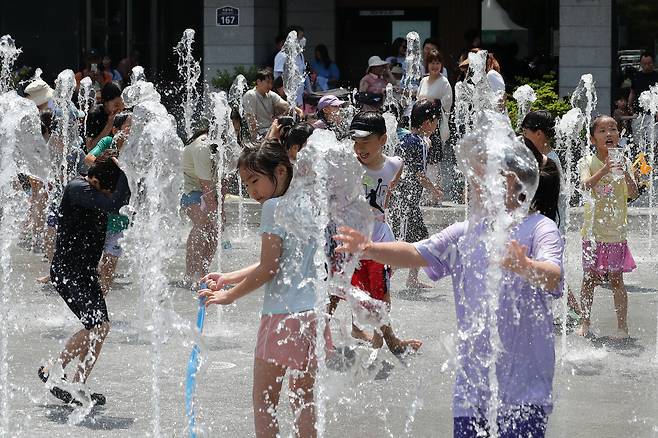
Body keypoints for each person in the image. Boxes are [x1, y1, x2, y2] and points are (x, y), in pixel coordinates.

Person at [333, 129, 564, 437]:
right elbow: (415, 252)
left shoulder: (539, 228)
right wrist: (371, 248)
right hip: (473, 384)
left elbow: (553, 275)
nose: (476, 185)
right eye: (475, 177)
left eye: (486, 176)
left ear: (516, 181)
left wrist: (525, 266)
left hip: (524, 384)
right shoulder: (464, 232)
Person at [199, 141, 330, 438]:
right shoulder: (308, 203)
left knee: (265, 399)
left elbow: (269, 268)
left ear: (281, 171)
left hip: (282, 317)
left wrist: (228, 296)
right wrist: (228, 277)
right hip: (314, 315)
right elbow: (276, 263)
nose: (252, 191)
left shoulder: (274, 207)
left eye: (255, 180)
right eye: (246, 184)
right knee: (303, 399)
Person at [38, 150, 131, 405]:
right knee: (97, 326)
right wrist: (122, 170)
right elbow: (115, 203)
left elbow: (121, 200)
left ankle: (78, 383)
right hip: (69, 271)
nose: (109, 197)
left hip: (84, 272)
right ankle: (53, 370)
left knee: (100, 328)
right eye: (108, 191)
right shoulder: (78, 188)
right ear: (97, 182)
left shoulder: (96, 190)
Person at [328, 111, 422, 355]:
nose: (359, 148)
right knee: (336, 290)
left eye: (366, 142)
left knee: (380, 290)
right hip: (348, 239)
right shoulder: (346, 164)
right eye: (356, 142)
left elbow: (393, 177)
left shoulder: (393, 164)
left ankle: (386, 338)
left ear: (382, 140)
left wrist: (383, 202)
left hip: (377, 238)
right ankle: (316, 334)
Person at [577, 116, 638, 339]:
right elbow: (584, 186)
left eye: (613, 129)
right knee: (589, 278)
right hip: (593, 232)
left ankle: (622, 327)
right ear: (593, 139)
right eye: (602, 131)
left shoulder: (625, 161)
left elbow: (633, 193)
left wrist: (627, 176)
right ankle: (585, 322)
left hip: (616, 233)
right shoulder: (587, 161)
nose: (609, 133)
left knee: (616, 279)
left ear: (619, 135)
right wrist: (604, 170)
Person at [390, 99, 443, 289]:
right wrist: (434, 190)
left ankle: (406, 278)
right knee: (418, 240)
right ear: (427, 123)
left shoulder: (404, 138)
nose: (436, 126)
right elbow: (420, 175)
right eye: (436, 122)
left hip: (399, 198)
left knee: (404, 238)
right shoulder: (420, 142)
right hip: (409, 201)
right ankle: (388, 277)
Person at [84, 112, 132, 295]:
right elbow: (88, 159)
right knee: (92, 255)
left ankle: (102, 296)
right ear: (116, 130)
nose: (131, 130)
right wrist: (110, 161)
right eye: (128, 126)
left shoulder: (138, 147)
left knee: (112, 257)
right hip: (100, 207)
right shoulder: (107, 143)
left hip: (120, 211)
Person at [181, 129, 219, 287]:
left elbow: (223, 178)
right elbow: (205, 184)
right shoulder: (202, 147)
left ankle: (203, 271)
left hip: (206, 190)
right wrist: (213, 210)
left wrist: (219, 207)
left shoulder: (220, 145)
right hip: (189, 191)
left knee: (214, 229)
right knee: (202, 224)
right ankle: (190, 274)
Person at [418, 49, 453, 200]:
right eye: (432, 62)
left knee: (434, 160)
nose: (435, 65)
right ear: (427, 64)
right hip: (421, 125)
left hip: (435, 125)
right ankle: (423, 194)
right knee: (423, 159)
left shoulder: (444, 82)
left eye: (438, 62)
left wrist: (432, 104)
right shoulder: (423, 81)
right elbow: (418, 101)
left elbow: (447, 104)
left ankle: (434, 195)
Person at [242, 68, 292, 141]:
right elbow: (251, 121)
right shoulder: (250, 95)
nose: (270, 85)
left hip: (272, 129)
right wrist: (255, 143)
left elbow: (286, 106)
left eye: (271, 83)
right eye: (268, 82)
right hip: (260, 133)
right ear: (258, 82)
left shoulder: (270, 94)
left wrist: (279, 115)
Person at [85, 82, 124, 151]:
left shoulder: (123, 115)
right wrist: (109, 125)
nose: (120, 109)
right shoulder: (95, 114)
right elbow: (90, 148)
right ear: (105, 102)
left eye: (122, 105)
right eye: (116, 105)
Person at [274, 25, 306, 107]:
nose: (303, 39)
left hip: (299, 98)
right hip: (286, 99)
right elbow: (277, 77)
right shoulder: (282, 55)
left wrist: (310, 90)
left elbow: (304, 74)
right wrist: (283, 96)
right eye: (301, 37)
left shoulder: (301, 56)